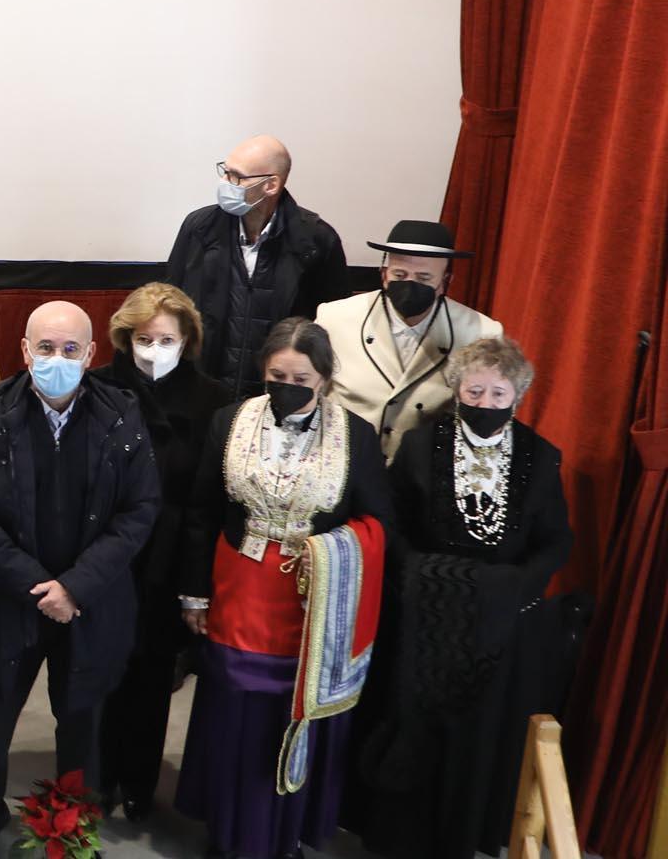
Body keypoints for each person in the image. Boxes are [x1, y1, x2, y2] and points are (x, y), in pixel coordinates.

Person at [174, 318, 395, 859]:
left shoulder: (355, 436)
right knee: (233, 710)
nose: (287, 385)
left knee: (290, 712)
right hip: (237, 591)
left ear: (323, 378)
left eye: (301, 377)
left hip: (310, 602)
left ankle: (281, 833)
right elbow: (201, 511)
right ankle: (228, 830)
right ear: (263, 371)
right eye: (277, 374)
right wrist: (194, 593)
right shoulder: (230, 419)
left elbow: (379, 521)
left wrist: (328, 552)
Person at [0, 302, 162, 858]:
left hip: (89, 603)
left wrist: (75, 588)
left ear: (91, 355)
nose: (57, 360)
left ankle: (70, 835)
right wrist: (38, 588)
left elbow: (139, 510)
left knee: (81, 727)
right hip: (9, 601)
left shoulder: (122, 415)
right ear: (24, 351)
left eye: (70, 350)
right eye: (45, 349)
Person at [348, 337, 573, 859]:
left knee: (474, 733)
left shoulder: (541, 457)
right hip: (422, 613)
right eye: (475, 390)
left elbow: (557, 540)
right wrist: (415, 574)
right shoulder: (421, 445)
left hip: (494, 621)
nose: (486, 403)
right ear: (457, 389)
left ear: (517, 396)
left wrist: (514, 587)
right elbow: (393, 519)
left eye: (499, 393)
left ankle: (457, 840)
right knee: (411, 721)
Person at [89, 283, 231, 822]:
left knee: (151, 678)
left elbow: (208, 498)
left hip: (169, 555)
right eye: (143, 338)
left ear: (187, 339)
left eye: (165, 338)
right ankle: (93, 780)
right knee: (99, 671)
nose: (153, 348)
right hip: (107, 551)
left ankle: (138, 784)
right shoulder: (99, 388)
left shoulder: (213, 399)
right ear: (125, 338)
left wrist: (196, 583)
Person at [164, 135, 351, 398]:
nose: (225, 183)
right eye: (225, 172)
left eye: (237, 177)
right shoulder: (199, 228)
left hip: (276, 393)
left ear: (271, 185)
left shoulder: (316, 241)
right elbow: (171, 306)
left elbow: (330, 329)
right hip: (203, 391)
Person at [315, 220, 503, 462]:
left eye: (424, 278)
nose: (410, 285)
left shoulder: (480, 334)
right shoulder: (335, 318)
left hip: (421, 474)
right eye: (400, 275)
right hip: (343, 465)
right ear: (384, 275)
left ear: (446, 281)